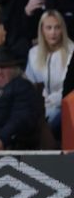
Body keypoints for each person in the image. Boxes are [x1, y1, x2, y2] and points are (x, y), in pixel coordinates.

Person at [25, 10, 72, 142]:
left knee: (51, 121)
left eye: (57, 27)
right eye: (49, 28)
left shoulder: (71, 51)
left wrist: (53, 100)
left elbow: (69, 87)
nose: (53, 32)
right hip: (40, 106)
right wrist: (41, 101)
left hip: (63, 105)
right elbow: (30, 84)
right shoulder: (33, 53)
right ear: (42, 30)